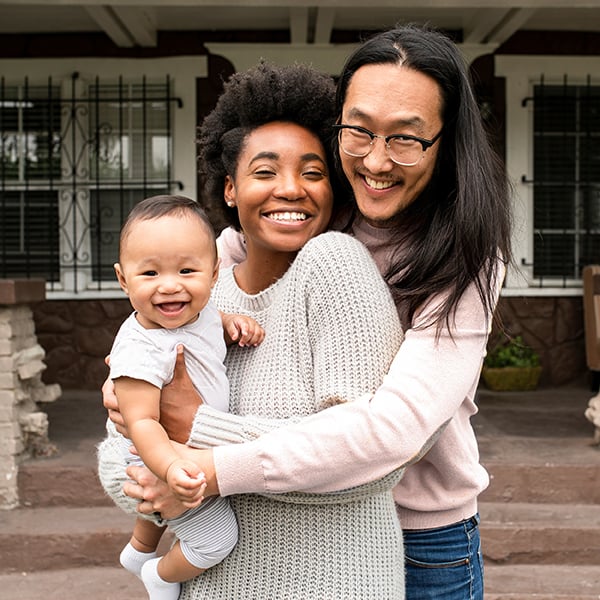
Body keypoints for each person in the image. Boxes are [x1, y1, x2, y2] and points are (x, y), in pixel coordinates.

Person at [99, 62, 409, 599]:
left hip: (332, 585)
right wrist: (163, 486)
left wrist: (201, 440)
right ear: (229, 189)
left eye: (313, 173)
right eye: (265, 172)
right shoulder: (194, 292)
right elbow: (118, 459)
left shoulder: (334, 266)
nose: (291, 189)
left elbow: (373, 463)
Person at [97, 194, 264, 600]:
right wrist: (171, 469)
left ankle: (138, 551)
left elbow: (207, 322)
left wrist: (230, 322)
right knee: (217, 540)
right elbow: (141, 424)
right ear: (123, 280)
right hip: (152, 454)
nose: (170, 285)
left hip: (178, 446)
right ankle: (161, 574)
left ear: (213, 273)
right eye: (150, 273)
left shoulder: (199, 310)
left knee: (163, 515)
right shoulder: (141, 349)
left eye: (187, 270)